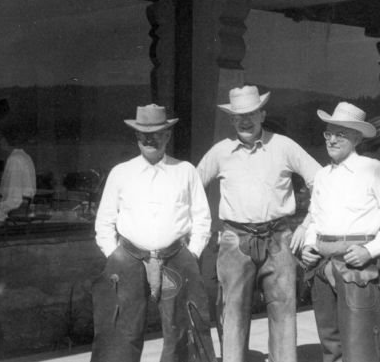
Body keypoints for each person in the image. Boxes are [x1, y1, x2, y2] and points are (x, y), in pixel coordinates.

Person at [197, 85, 321, 362]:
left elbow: (321, 181)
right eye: (239, 115)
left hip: (279, 238)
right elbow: (192, 188)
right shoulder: (220, 152)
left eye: (252, 113)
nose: (245, 120)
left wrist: (307, 225)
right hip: (234, 241)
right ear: (232, 119)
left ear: (262, 114)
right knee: (232, 313)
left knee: (284, 310)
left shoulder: (284, 146)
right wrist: (207, 228)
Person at [91, 104, 216, 362]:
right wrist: (113, 254)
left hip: (176, 257)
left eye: (157, 133)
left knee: (182, 331)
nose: (149, 138)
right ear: (136, 137)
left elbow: (202, 218)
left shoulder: (185, 171)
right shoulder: (121, 173)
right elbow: (104, 222)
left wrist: (191, 253)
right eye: (143, 133)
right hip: (128, 257)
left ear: (168, 135)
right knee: (119, 333)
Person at [301, 102, 380, 362]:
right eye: (329, 133)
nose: (333, 140)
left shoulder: (373, 170)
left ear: (357, 138)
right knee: (331, 344)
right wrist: (307, 245)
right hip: (322, 266)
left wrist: (368, 251)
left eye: (341, 134)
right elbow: (315, 218)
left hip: (357, 266)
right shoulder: (323, 176)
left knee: (362, 345)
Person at [0, 127, 36, 222]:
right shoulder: (25, 156)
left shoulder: (14, 159)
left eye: (1, 138)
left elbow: (14, 197)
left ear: (7, 140)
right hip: (23, 209)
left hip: (16, 211)